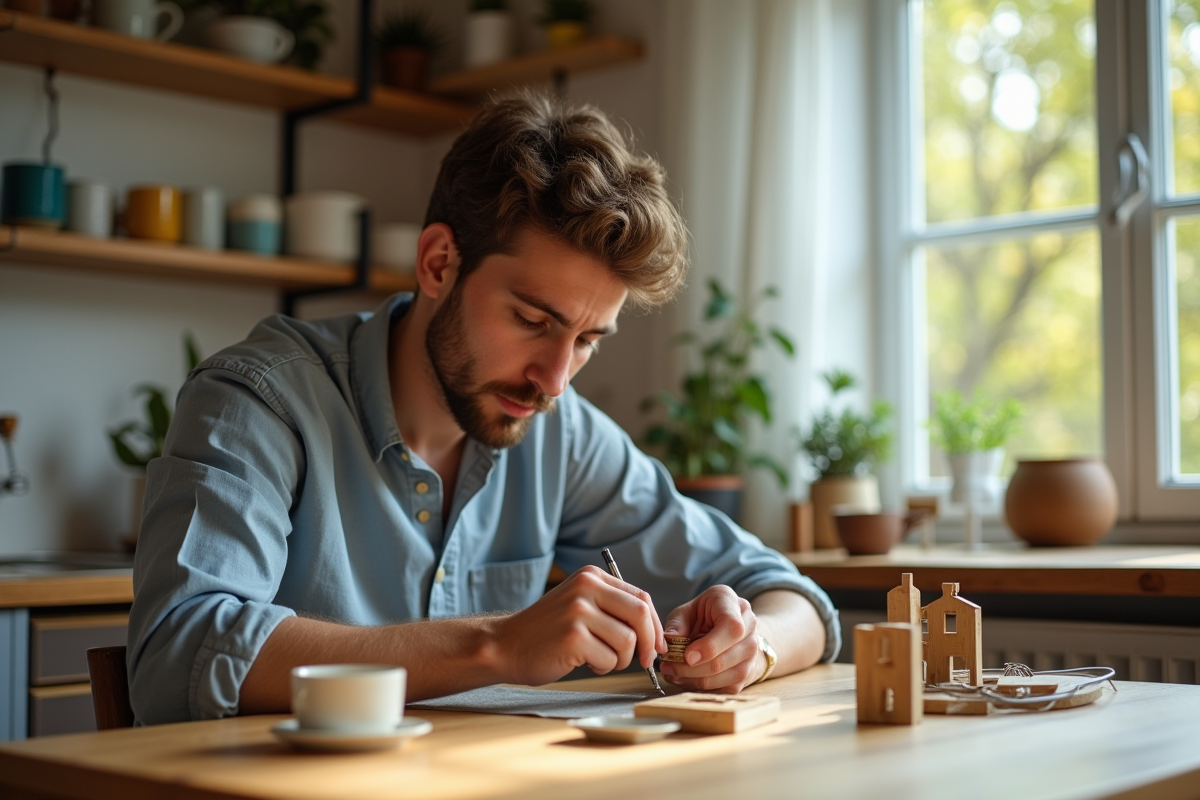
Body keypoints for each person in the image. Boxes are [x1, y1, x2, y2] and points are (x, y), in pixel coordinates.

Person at [127, 92, 840, 725]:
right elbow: (181, 649)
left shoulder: (562, 436)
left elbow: (790, 596)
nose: (556, 378)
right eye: (533, 319)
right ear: (439, 263)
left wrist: (753, 645)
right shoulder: (260, 400)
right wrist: (498, 645)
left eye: (588, 339)